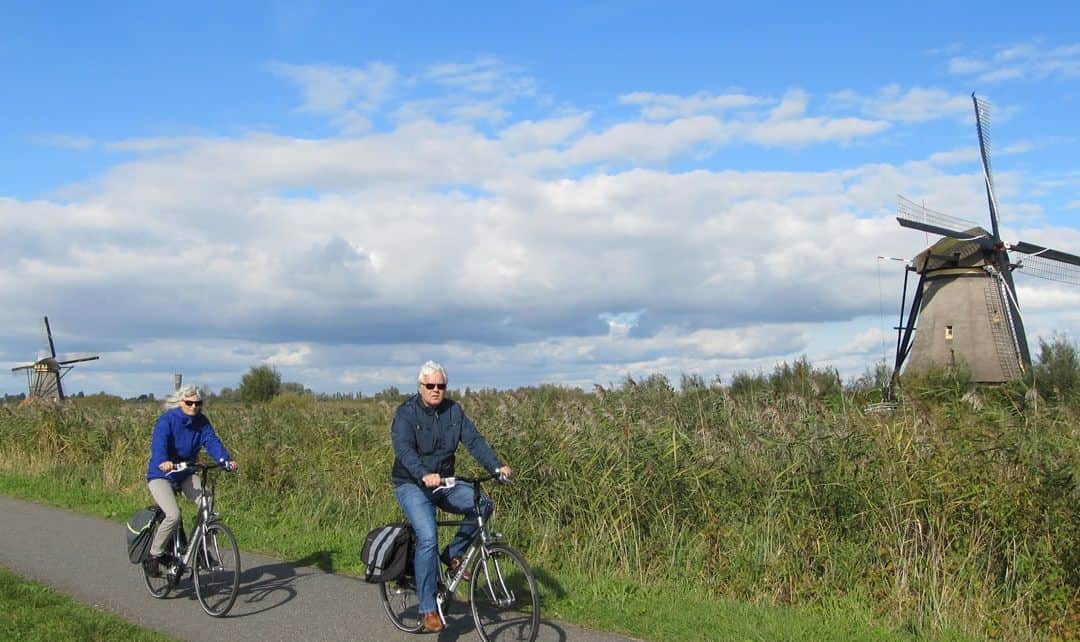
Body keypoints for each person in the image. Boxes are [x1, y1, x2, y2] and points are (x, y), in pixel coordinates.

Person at [391, 361, 512, 633]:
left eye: (441, 385)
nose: (436, 390)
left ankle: (453, 554)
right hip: (412, 484)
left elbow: (474, 441)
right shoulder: (406, 413)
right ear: (420, 386)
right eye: (430, 385)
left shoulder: (454, 411)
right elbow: (403, 450)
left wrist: (496, 467)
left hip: (444, 483)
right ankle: (427, 608)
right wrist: (423, 473)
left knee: (482, 504)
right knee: (428, 536)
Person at [145, 385, 237, 575]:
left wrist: (225, 461)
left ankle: (200, 545)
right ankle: (155, 554)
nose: (194, 407)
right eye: (189, 403)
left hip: (185, 472)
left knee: (207, 500)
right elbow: (159, 443)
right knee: (173, 515)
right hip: (161, 474)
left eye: (198, 403)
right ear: (181, 402)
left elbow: (212, 441)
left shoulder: (202, 422)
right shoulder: (167, 420)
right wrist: (163, 461)